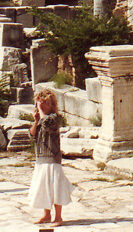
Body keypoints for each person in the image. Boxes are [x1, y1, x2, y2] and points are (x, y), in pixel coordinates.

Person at [28, 88, 72, 227]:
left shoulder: (54, 118)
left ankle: (58, 217)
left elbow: (48, 125)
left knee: (55, 187)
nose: (40, 106)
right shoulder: (41, 119)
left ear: (51, 105)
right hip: (41, 158)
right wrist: (35, 121)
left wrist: (41, 114)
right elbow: (31, 135)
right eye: (39, 104)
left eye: (43, 104)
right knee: (43, 187)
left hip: (52, 159)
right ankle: (46, 215)